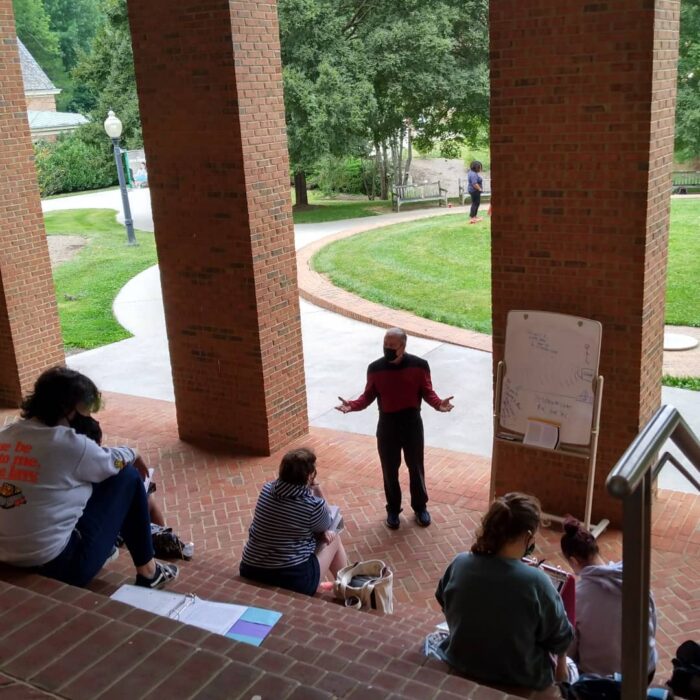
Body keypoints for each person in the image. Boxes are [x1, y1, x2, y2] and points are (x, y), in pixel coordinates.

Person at [0, 367, 178, 589]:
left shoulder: (5, 435)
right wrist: (135, 453)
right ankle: (149, 572)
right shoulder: (68, 444)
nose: (89, 416)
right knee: (127, 477)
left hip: (6, 558)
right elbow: (113, 463)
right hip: (60, 566)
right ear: (66, 408)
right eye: (85, 408)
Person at [434, 493, 574, 691]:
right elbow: (561, 638)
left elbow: (443, 600)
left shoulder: (460, 563)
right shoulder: (537, 581)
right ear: (528, 536)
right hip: (521, 678)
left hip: (460, 662)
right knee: (573, 671)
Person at [336, 328, 453, 530]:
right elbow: (368, 395)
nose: (387, 348)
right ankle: (393, 509)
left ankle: (420, 507)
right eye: (385, 344)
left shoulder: (419, 365)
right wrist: (352, 405)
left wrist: (438, 404)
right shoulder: (374, 368)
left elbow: (427, 391)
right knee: (389, 470)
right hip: (387, 423)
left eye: (392, 345)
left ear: (403, 346)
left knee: (416, 467)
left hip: (412, 423)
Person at [239, 447, 347, 596]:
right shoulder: (313, 505)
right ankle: (346, 588)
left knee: (317, 534)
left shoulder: (266, 490)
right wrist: (316, 487)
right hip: (292, 579)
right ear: (309, 476)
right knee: (334, 538)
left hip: (251, 569)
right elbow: (327, 522)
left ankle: (337, 584)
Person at [560, 516, 658, 680]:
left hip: (602, 680)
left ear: (573, 560)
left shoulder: (579, 596)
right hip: (644, 672)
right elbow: (652, 624)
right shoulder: (635, 578)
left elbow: (570, 648)